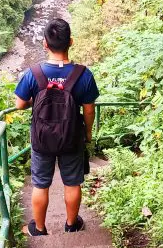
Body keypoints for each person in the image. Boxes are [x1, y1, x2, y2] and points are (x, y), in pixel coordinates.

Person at [14, 18, 99, 236]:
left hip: (42, 139)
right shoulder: (83, 74)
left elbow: (20, 104)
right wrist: (87, 133)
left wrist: (39, 97)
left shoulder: (33, 73)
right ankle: (72, 225)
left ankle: (39, 228)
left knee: (41, 184)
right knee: (72, 183)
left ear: (44, 43)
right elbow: (89, 110)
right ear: (71, 42)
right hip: (71, 137)